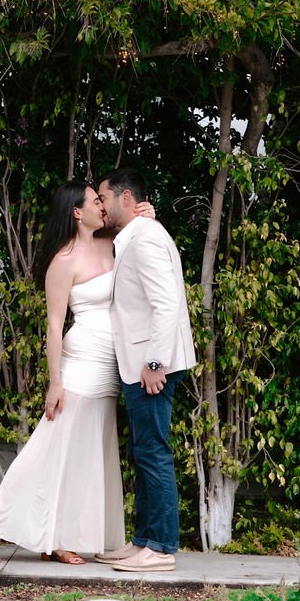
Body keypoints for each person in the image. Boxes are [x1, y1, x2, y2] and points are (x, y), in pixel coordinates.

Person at [0, 181, 148, 565]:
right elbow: (54, 324)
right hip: (79, 364)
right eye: (96, 201)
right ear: (78, 212)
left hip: (109, 363)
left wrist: (146, 214)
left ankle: (62, 538)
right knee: (48, 448)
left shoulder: (111, 241)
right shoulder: (63, 261)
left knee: (85, 455)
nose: (102, 205)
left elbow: (136, 226)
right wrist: (55, 382)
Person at [95, 166, 196, 572]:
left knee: (153, 452)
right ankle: (143, 541)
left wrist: (155, 362)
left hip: (151, 365)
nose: (100, 206)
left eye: (103, 198)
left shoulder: (146, 239)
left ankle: (162, 547)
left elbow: (166, 304)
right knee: (143, 452)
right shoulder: (137, 235)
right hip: (142, 363)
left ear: (124, 198)